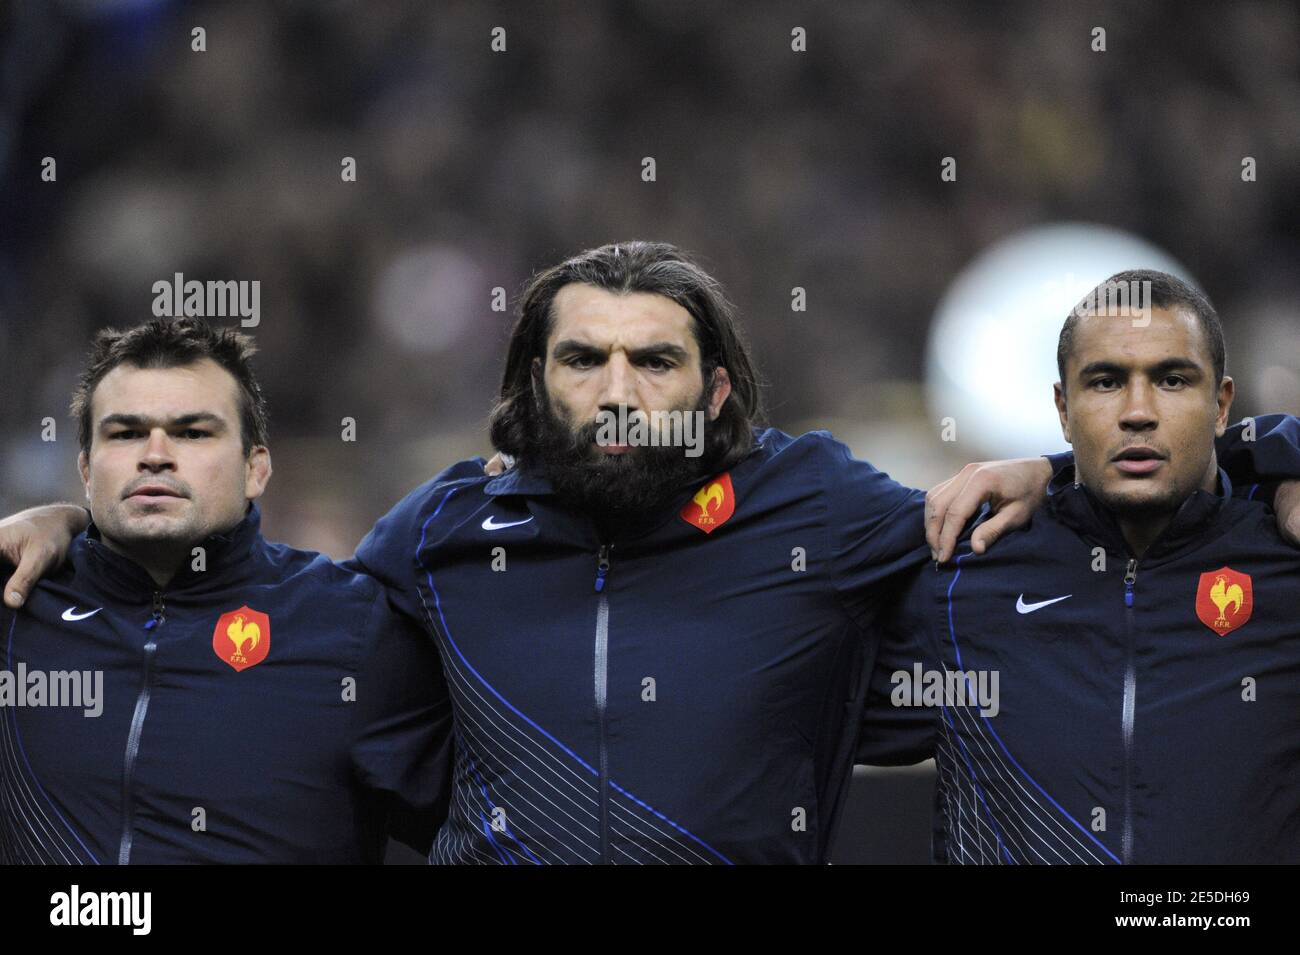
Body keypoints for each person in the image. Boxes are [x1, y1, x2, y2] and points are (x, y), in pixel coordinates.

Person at [4, 245, 1295, 863]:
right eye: (583, 358)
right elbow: (256, 603)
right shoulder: (445, 534)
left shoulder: (828, 510)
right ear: (532, 384)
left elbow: (1128, 495)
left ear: (719, 389)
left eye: (655, 359)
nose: (618, 389)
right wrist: (83, 529)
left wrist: (1104, 462)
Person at [859, 270, 1300, 863]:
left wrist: (1281, 449)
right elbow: (777, 720)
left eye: (1172, 380)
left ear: (1221, 406)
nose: (1138, 411)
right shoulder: (964, 580)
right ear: (1063, 410)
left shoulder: (1285, 567)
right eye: (1106, 382)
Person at [0, 319, 451, 863]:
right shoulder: (19, 604)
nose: (156, 454)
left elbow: (491, 824)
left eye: (193, 432)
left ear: (255, 469)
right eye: (125, 433)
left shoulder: (354, 628)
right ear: (86, 471)